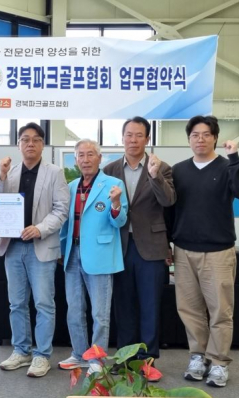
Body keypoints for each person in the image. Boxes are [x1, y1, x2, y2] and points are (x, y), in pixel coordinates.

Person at [171, 115, 239, 388]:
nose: (200, 139)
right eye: (195, 135)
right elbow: (171, 210)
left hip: (218, 252)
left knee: (220, 311)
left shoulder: (228, 166)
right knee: (189, 309)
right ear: (189, 139)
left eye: (206, 134)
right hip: (184, 251)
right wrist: (169, 244)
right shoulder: (179, 170)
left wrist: (235, 158)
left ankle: (218, 362)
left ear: (215, 138)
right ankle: (198, 356)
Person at [103, 117, 176, 379]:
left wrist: (155, 176)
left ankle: (148, 359)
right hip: (119, 246)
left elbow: (168, 201)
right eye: (129, 135)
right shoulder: (109, 169)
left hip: (151, 246)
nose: (133, 140)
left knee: (150, 304)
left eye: (138, 135)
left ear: (147, 139)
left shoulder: (161, 167)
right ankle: (125, 357)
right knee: (123, 305)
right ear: (122, 138)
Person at [0, 122, 70, 378]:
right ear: (18, 144)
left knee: (43, 304)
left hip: (41, 247)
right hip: (13, 248)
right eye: (25, 139)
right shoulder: (10, 172)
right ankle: (21, 350)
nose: (30, 143)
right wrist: (2, 176)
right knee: (16, 303)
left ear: (42, 144)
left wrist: (39, 228)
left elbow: (61, 209)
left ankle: (42, 355)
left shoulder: (55, 173)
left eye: (36, 139)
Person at [59, 139, 128, 376]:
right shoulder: (71, 186)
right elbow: (65, 223)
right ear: (76, 159)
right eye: (81, 155)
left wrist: (116, 203)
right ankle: (79, 354)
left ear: (100, 158)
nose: (86, 160)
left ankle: (97, 358)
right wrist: (62, 250)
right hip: (72, 253)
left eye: (90, 155)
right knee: (74, 309)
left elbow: (120, 221)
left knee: (100, 313)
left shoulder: (113, 184)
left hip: (100, 254)